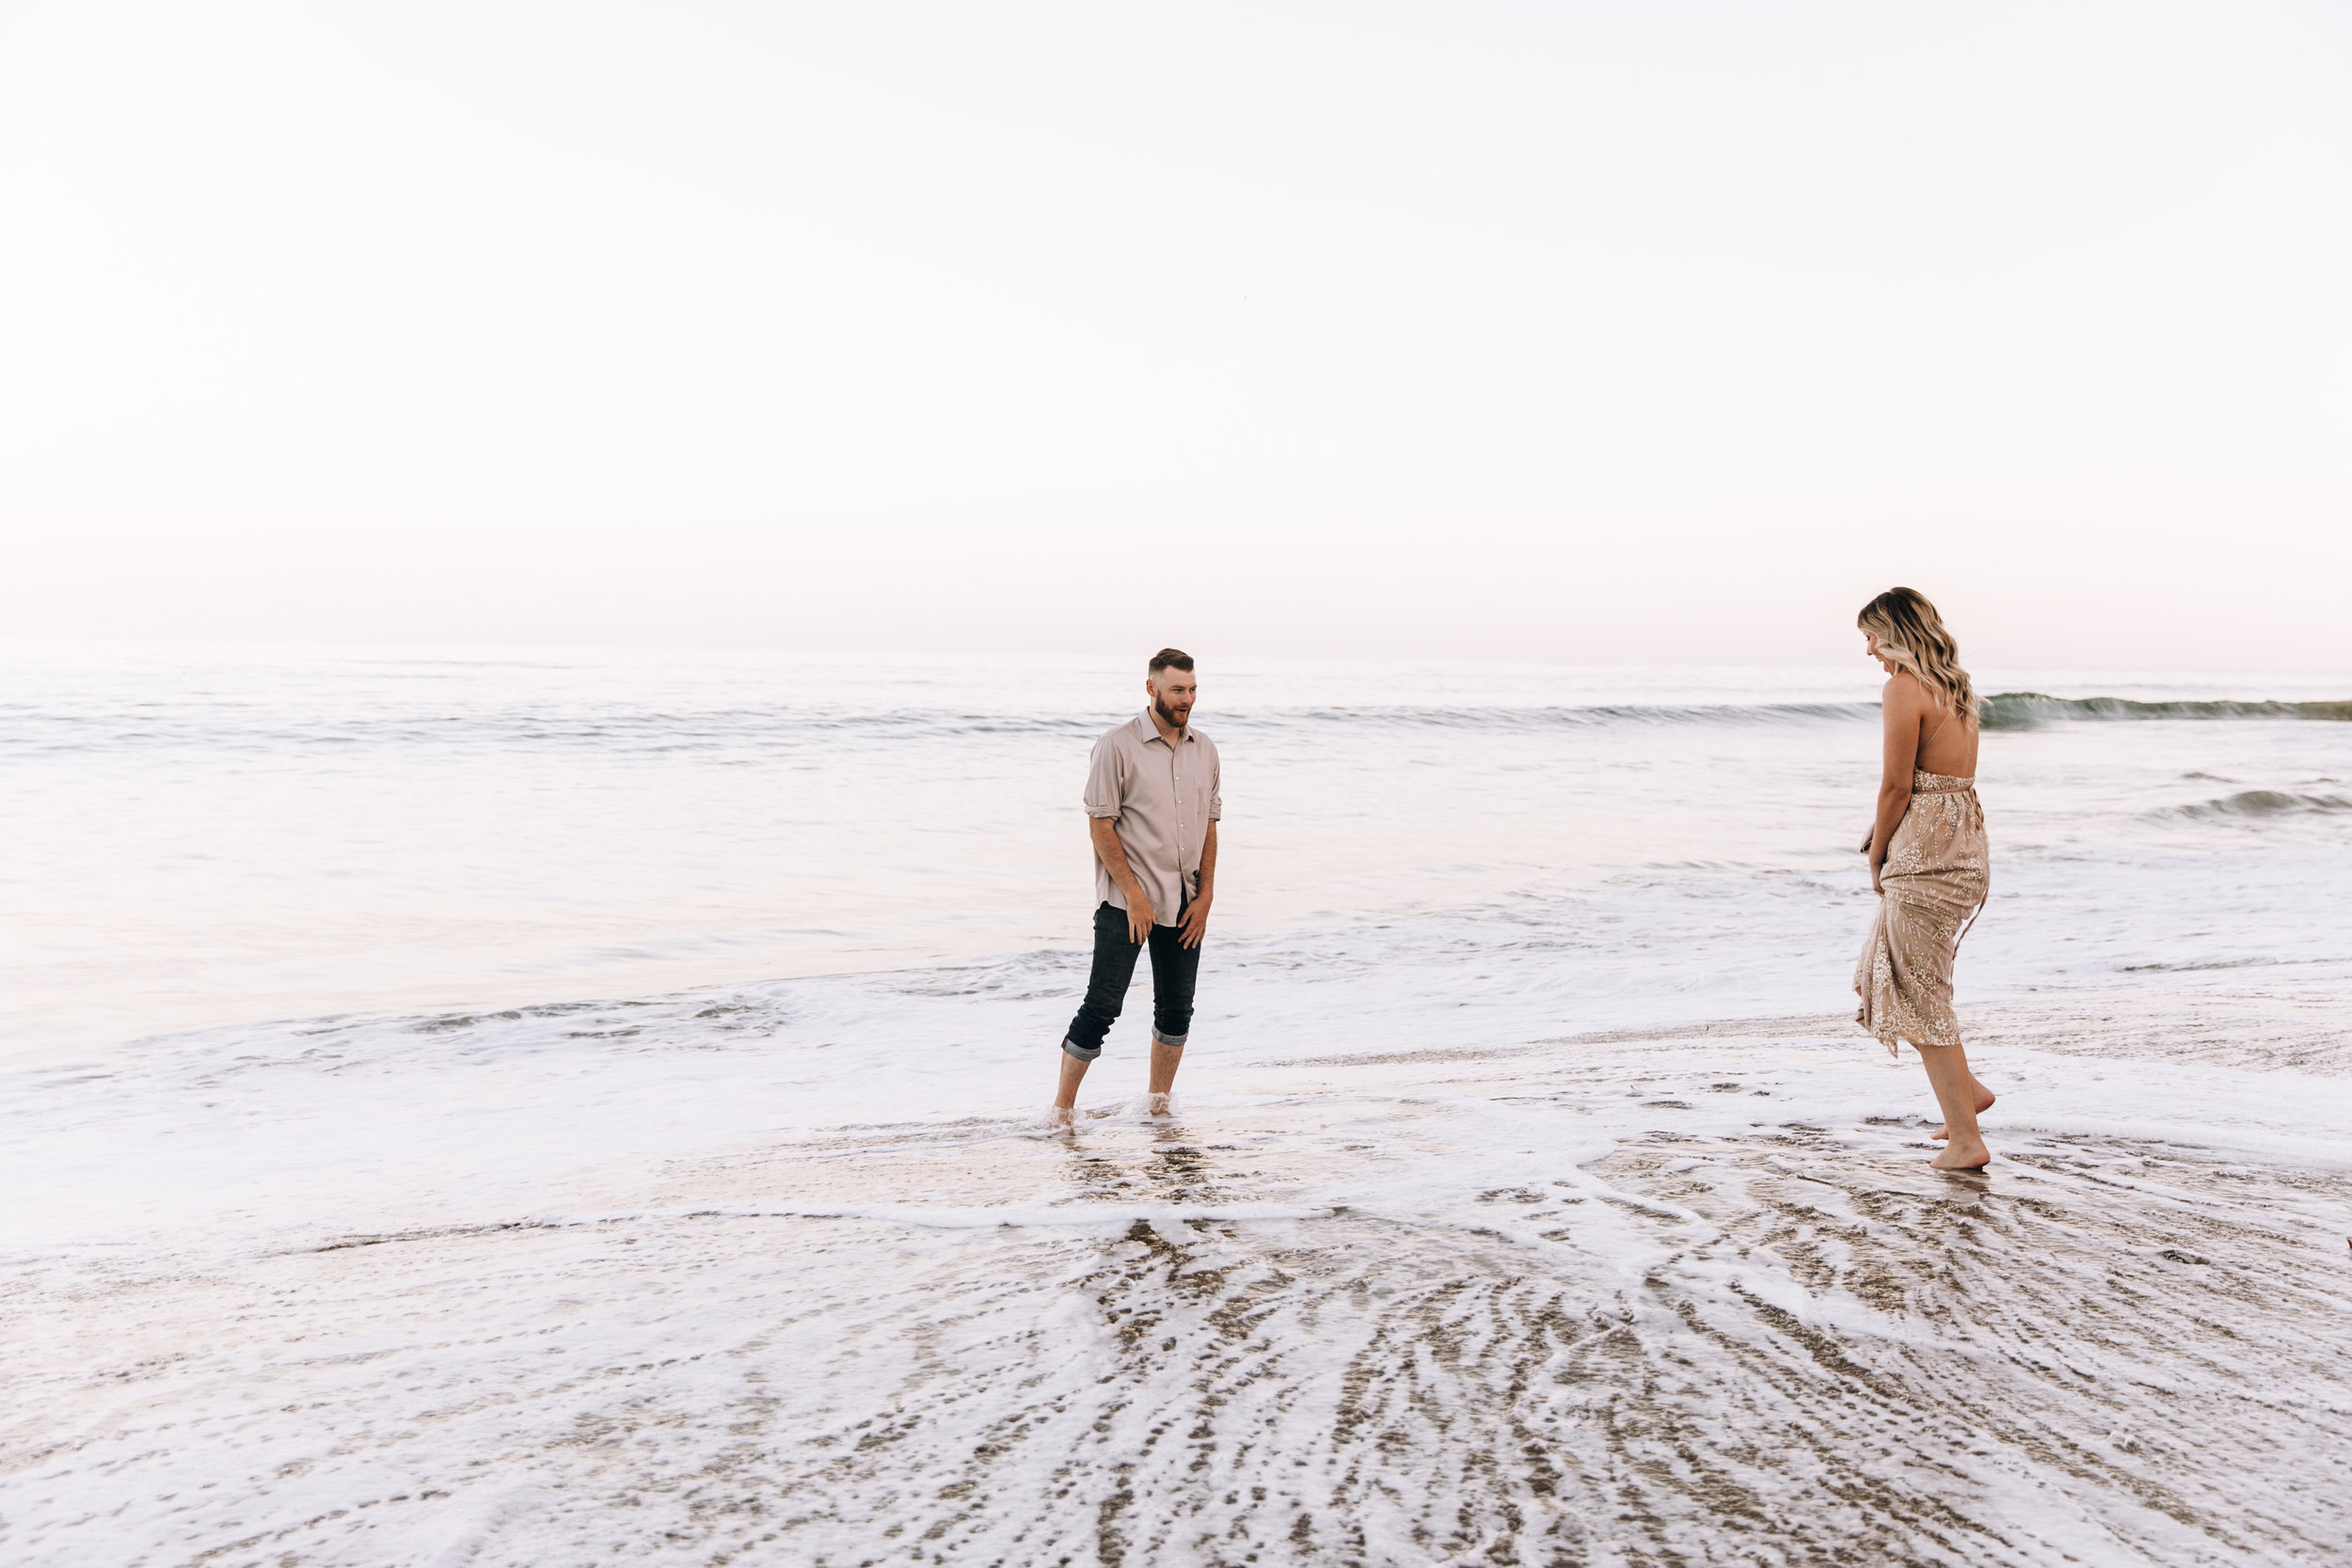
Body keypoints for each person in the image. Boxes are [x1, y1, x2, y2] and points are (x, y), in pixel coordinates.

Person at [1852, 587, 1995, 1170]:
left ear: (1894, 634)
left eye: (1870, 638)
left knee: (1916, 990)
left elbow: (1897, 786)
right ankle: (1969, 1092)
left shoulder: (1903, 688)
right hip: (1962, 849)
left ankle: (1966, 1141)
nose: (1868, 652)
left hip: (1925, 856)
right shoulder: (1955, 691)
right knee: (1888, 978)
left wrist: (1876, 851)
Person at [1047, 649, 1220, 1126]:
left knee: (1177, 1011)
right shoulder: (1116, 746)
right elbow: (1101, 826)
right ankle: (1061, 1113)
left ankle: (1158, 1108)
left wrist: (1206, 896)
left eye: (1191, 690)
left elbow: (1209, 824)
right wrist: (1136, 897)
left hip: (1186, 902)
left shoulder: (1204, 748)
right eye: (1176, 690)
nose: (1185, 699)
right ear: (1152, 689)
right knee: (1102, 1006)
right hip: (1127, 902)